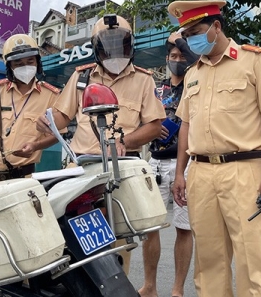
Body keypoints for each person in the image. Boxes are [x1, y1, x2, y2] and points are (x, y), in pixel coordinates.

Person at [169, 0, 261, 297]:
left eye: (195, 31)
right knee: (209, 260)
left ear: (216, 26)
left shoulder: (254, 59)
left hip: (245, 169)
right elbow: (186, 124)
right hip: (200, 172)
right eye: (186, 35)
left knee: (253, 258)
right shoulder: (193, 73)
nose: (190, 40)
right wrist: (180, 173)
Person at [36, 14, 166, 273]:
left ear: (131, 45)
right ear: (96, 47)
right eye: (108, 45)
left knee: (120, 238)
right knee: (73, 235)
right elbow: (63, 116)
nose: (115, 52)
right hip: (82, 168)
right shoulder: (82, 77)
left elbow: (154, 125)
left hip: (122, 168)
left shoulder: (143, 79)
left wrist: (122, 141)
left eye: (121, 44)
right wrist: (48, 121)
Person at [139, 32, 199, 297]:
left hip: (185, 162)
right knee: (150, 227)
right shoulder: (156, 88)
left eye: (182, 56)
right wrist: (151, 129)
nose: (177, 60)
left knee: (183, 228)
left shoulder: (197, 84)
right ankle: (149, 286)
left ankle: (177, 290)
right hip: (154, 163)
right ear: (166, 59)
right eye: (173, 56)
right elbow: (141, 120)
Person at [0, 34, 63, 185]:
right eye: (18, 63)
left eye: (30, 61)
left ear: (37, 62)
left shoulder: (51, 95)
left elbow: (58, 134)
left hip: (24, 179)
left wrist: (36, 145)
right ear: (10, 66)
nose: (26, 66)